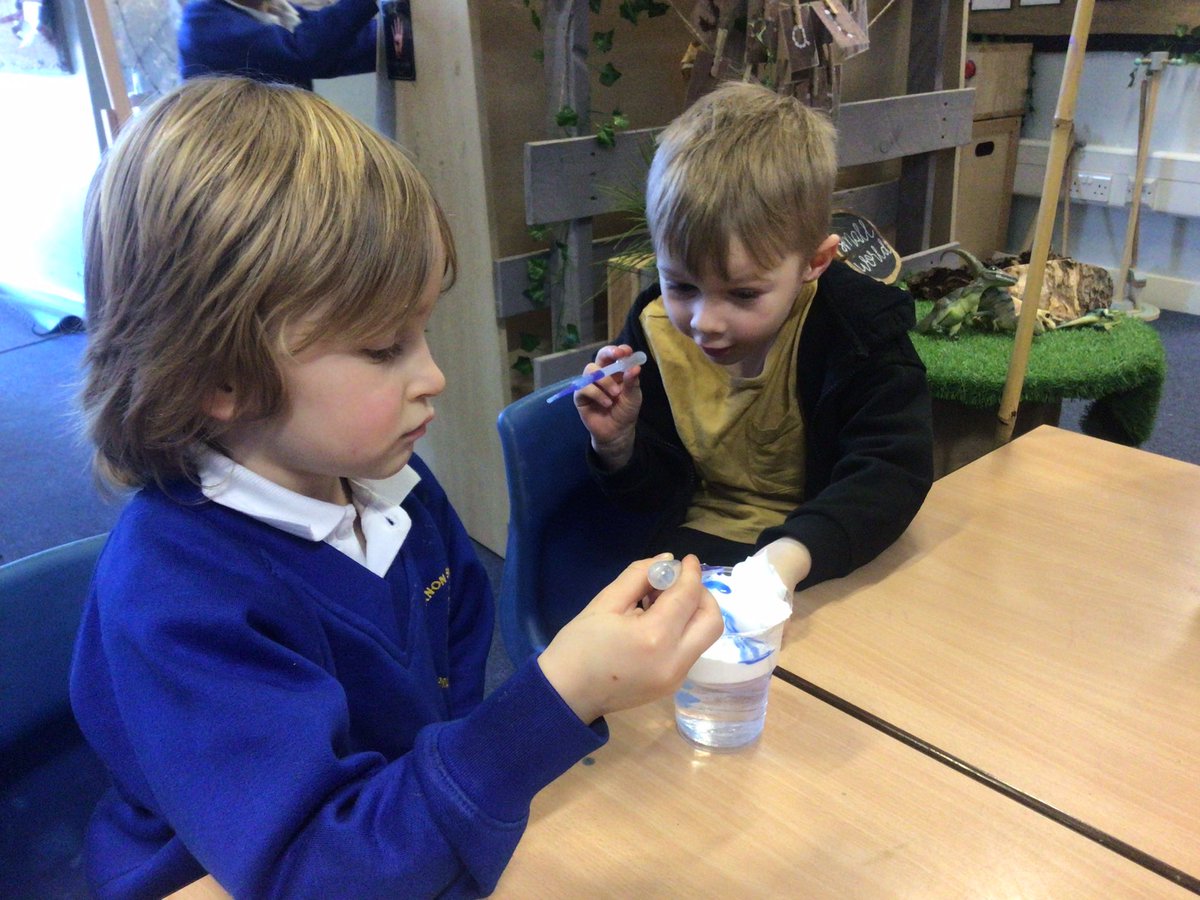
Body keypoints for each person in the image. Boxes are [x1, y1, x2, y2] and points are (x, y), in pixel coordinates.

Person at [70, 77, 722, 900]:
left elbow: (442, 728)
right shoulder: (179, 598)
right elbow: (308, 871)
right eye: (385, 348)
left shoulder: (399, 497)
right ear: (218, 378)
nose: (435, 376)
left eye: (423, 333)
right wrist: (564, 691)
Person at [574, 80, 934, 597]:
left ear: (814, 263)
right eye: (681, 285)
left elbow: (891, 474)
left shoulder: (861, 333)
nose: (705, 322)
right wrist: (618, 443)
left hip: (824, 548)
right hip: (697, 549)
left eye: (742, 294)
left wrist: (787, 559)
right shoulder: (652, 331)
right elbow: (648, 497)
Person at [177, 0, 377, 90]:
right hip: (236, 160)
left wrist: (401, 31)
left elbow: (339, 50)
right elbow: (303, 53)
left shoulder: (274, 9)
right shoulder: (203, 22)